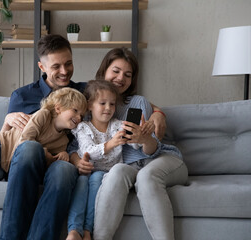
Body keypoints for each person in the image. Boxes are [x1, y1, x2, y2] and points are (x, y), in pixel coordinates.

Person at [0, 34, 166, 240]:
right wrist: (6, 121)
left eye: (68, 63)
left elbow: (122, 99)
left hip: (62, 161)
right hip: (30, 162)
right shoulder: (22, 96)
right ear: (42, 67)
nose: (64, 71)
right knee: (30, 148)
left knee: (63, 172)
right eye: (56, 66)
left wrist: (158, 113)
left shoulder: (82, 91)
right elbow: (10, 141)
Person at [71, 47, 189, 240]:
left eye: (127, 74)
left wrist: (144, 138)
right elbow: (76, 145)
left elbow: (150, 150)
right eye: (115, 71)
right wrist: (77, 160)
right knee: (116, 172)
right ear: (104, 71)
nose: (120, 78)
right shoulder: (91, 106)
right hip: (128, 167)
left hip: (159, 160)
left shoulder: (136, 103)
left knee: (146, 176)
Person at [66, 80, 158, 240]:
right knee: (81, 184)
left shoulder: (118, 126)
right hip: (85, 170)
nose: (108, 108)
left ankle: (87, 230)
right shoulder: (83, 127)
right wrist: (111, 143)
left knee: (96, 179)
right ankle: (74, 230)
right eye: (102, 103)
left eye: (112, 104)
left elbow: (135, 147)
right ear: (89, 105)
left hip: (107, 175)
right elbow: (88, 150)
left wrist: (141, 136)